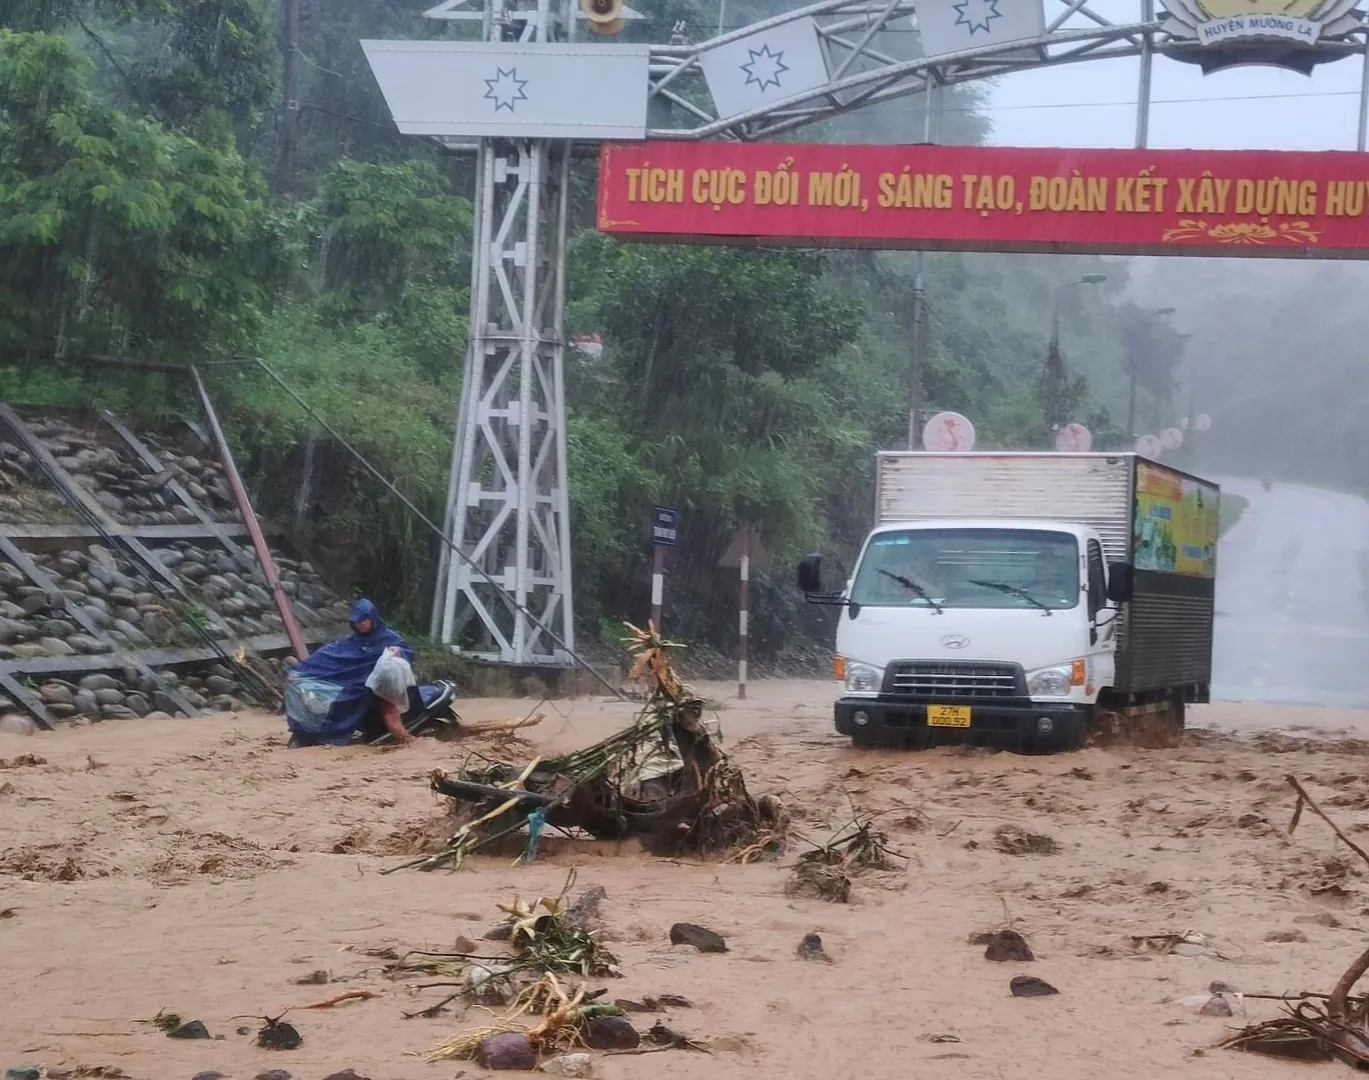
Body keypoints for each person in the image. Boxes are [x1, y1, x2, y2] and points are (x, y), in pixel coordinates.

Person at [283, 598, 455, 748]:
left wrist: (399, 652)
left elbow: (408, 653)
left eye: (365, 620)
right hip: (359, 686)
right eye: (358, 621)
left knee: (386, 712)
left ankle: (404, 736)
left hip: (385, 690)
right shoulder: (349, 644)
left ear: (372, 618)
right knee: (340, 701)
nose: (362, 624)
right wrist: (299, 671)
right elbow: (325, 658)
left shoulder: (389, 638)